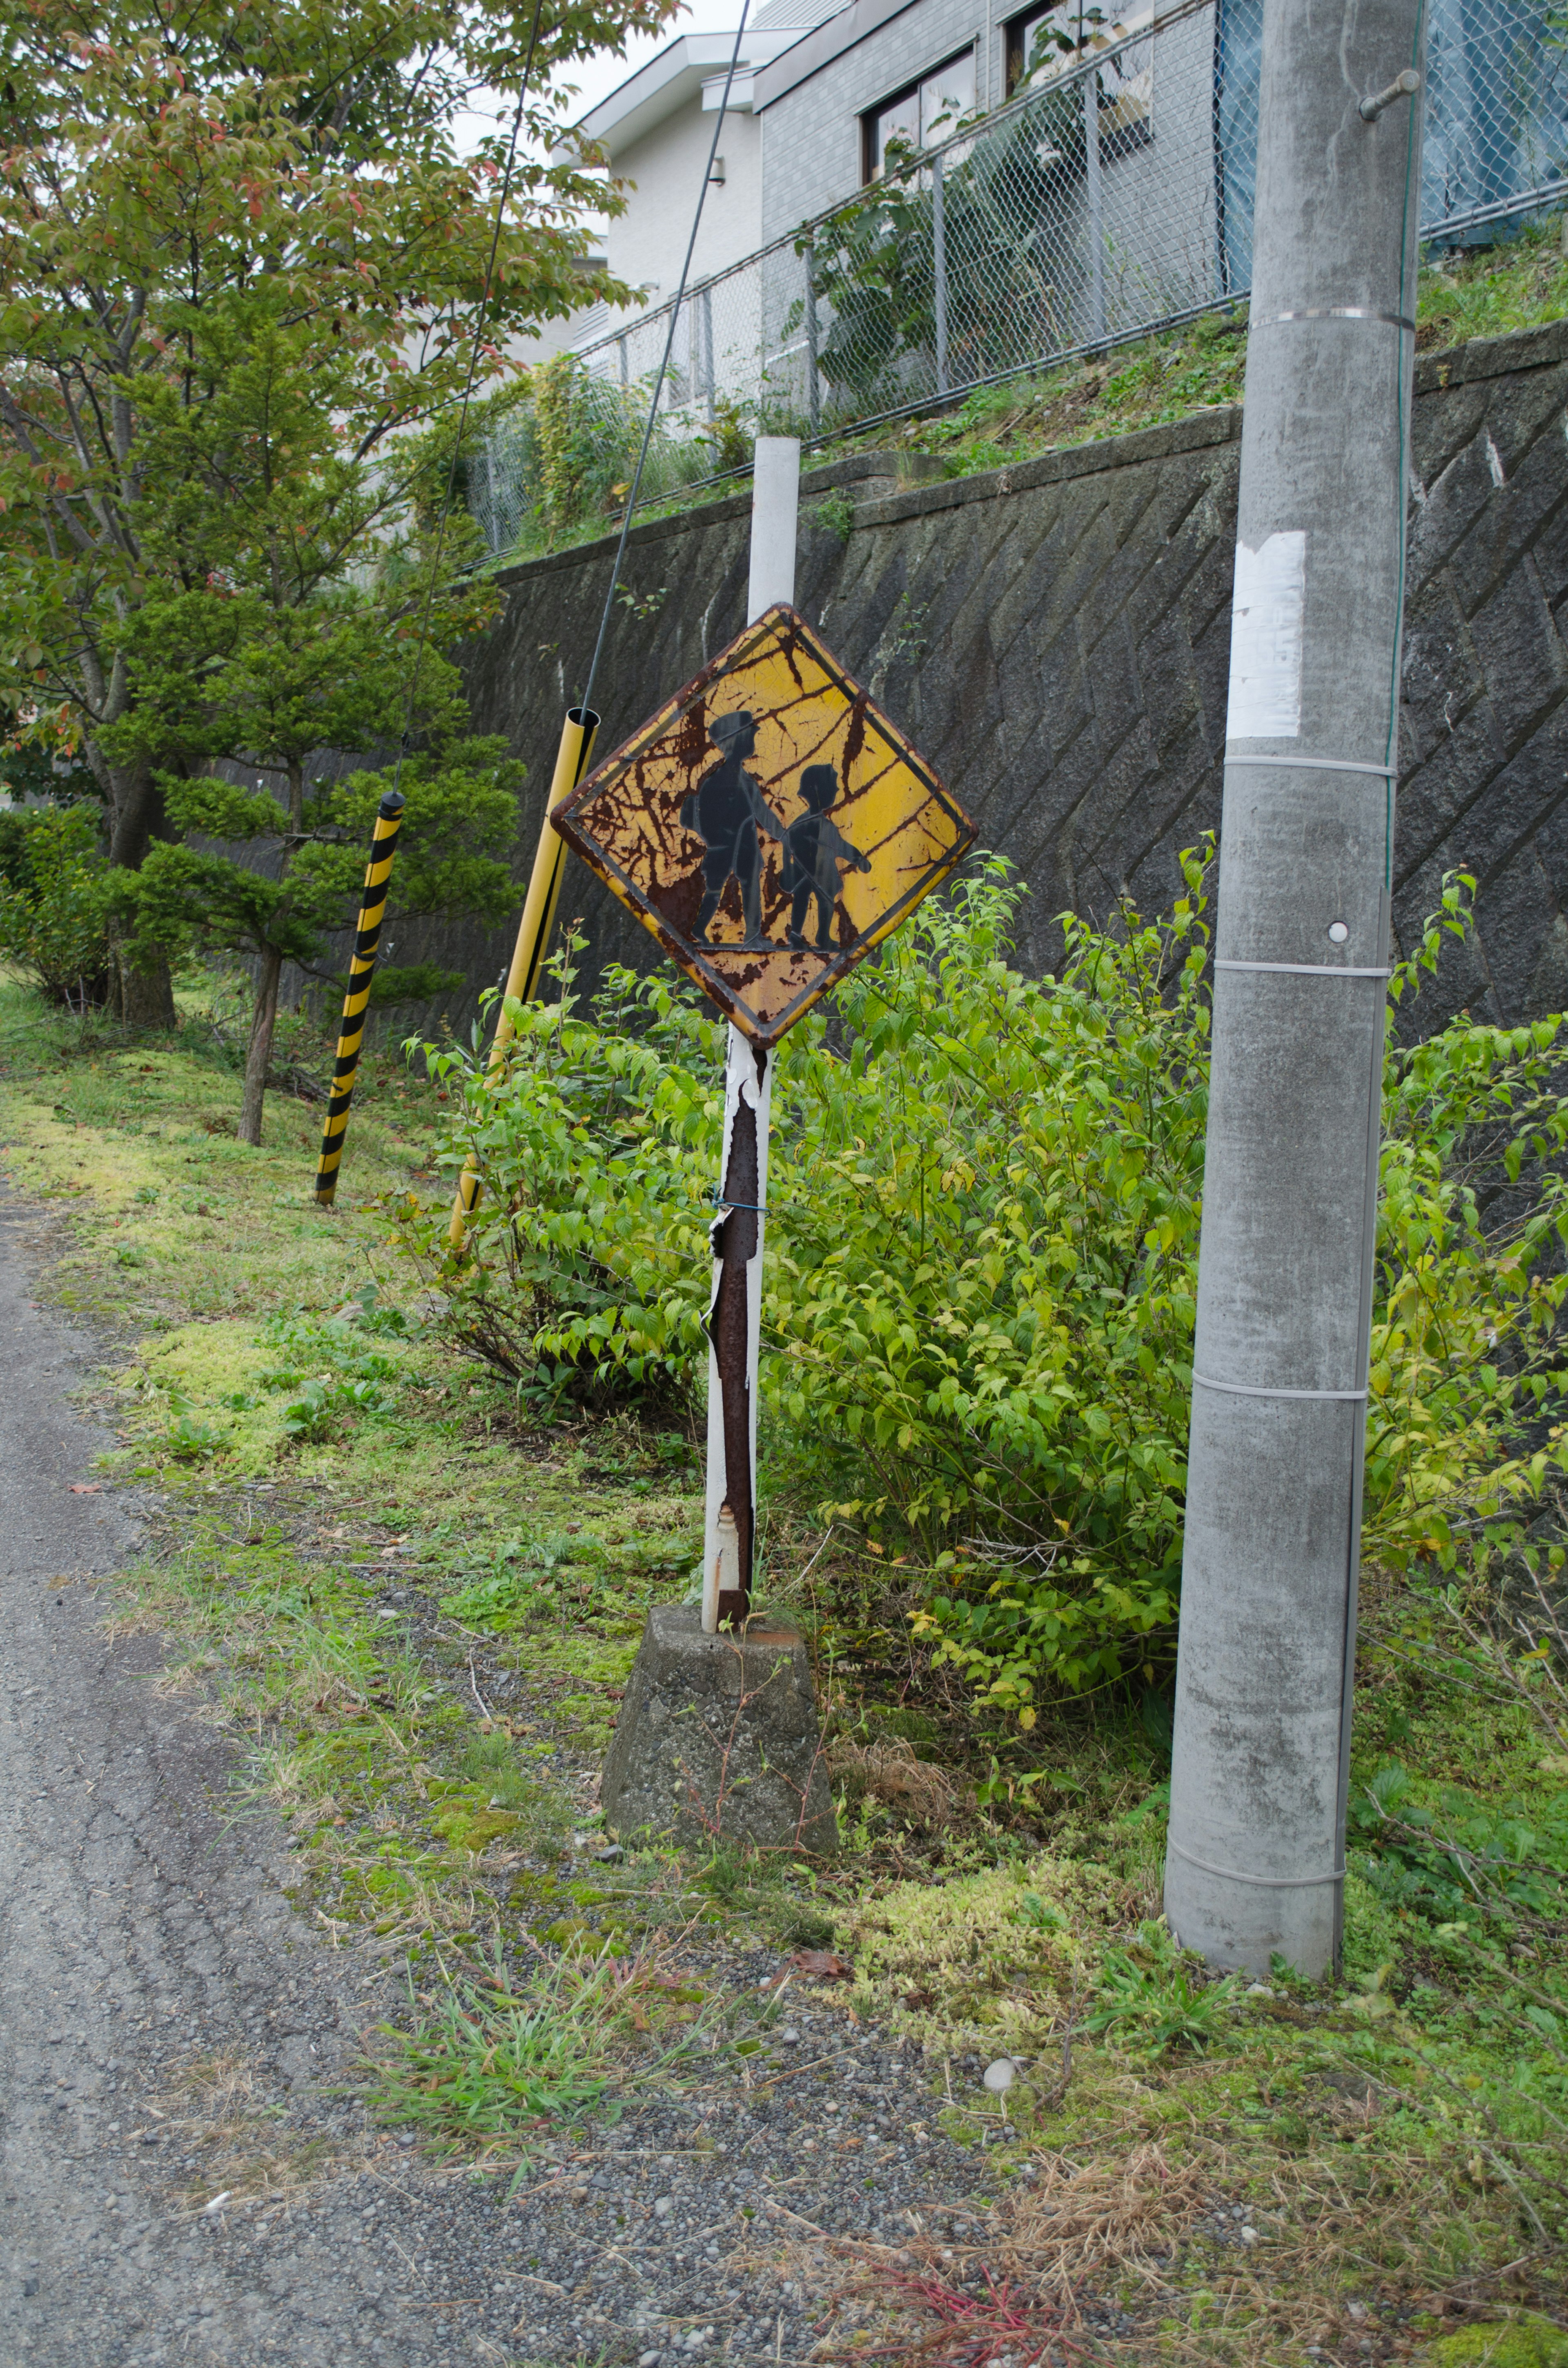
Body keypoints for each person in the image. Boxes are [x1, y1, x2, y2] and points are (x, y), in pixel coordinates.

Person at [679, 709, 786, 943]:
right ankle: (699, 929)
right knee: (716, 888)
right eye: (749, 736)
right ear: (736, 741)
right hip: (725, 846)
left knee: (749, 882)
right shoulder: (717, 780)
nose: (753, 741)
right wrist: (721, 842)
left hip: (744, 845)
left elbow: (763, 812)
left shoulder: (744, 778)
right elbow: (708, 817)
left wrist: (784, 836)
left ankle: (753, 934)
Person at [781, 764, 870, 950]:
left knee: (826, 901)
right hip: (804, 872)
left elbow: (841, 846)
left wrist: (859, 859)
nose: (837, 789)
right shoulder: (801, 824)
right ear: (816, 789)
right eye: (832, 786)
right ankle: (796, 935)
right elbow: (789, 844)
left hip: (824, 874)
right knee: (802, 899)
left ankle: (823, 936)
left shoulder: (827, 827)